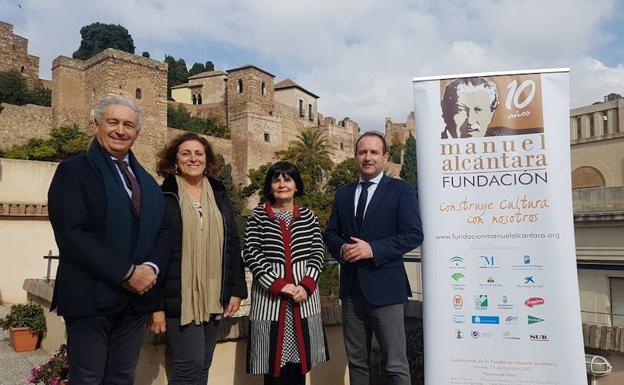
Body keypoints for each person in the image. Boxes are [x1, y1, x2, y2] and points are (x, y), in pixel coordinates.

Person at [48, 96, 173, 385]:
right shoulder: (74, 171)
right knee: (87, 378)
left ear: (137, 133)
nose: (120, 130)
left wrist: (151, 269)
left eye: (128, 125)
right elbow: (72, 234)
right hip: (90, 297)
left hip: (134, 302)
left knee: (121, 377)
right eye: (112, 122)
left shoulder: (148, 183)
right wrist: (127, 272)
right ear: (96, 126)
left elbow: (165, 230)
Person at [148, 132, 248, 385]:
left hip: (214, 296)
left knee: (203, 365)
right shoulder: (164, 196)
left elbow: (232, 243)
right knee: (188, 367)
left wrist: (236, 289)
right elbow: (151, 252)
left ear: (207, 159)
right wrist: (155, 305)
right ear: (175, 160)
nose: (193, 159)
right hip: (179, 298)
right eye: (186, 153)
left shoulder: (218, 194)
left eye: (199, 153)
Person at [324, 132, 423, 385]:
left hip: (387, 289)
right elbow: (331, 233)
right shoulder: (343, 193)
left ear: (385, 157)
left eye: (374, 152)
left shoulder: (401, 190)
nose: (367, 157)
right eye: (362, 152)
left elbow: (414, 234)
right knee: (357, 362)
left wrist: (373, 250)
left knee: (395, 364)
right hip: (351, 291)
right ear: (355, 156)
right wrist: (342, 248)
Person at [244, 161, 329, 385]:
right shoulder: (258, 217)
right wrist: (280, 285)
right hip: (270, 303)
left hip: (303, 302)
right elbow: (252, 253)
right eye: (276, 179)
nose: (282, 184)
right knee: (273, 369)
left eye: (287, 179)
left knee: (299, 370)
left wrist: (307, 285)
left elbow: (318, 251)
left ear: (296, 185)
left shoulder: (308, 217)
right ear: (269, 186)